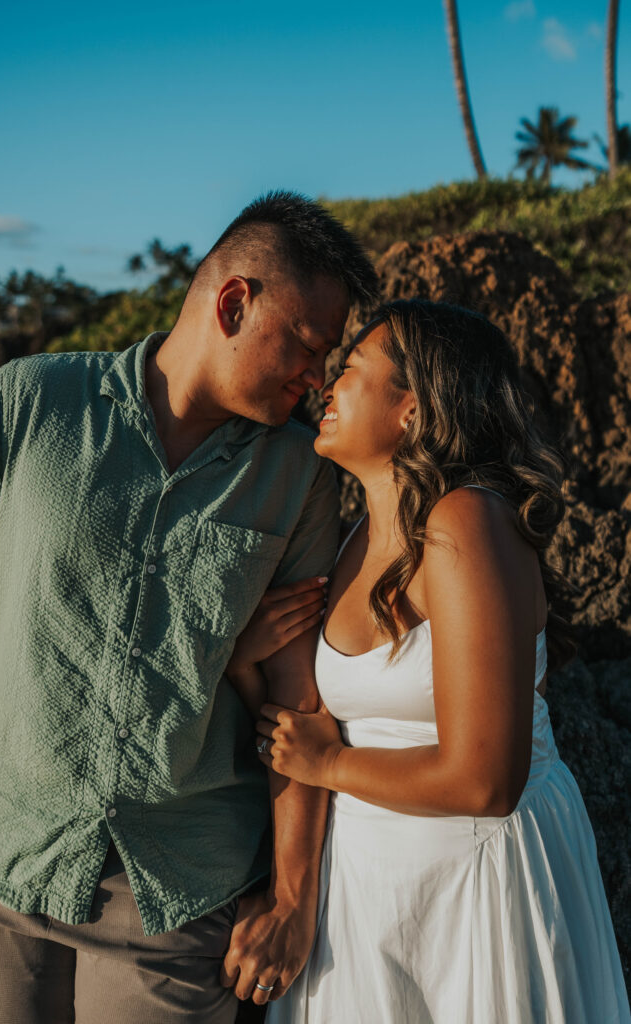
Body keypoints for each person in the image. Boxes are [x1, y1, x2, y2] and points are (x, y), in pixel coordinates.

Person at [0, 190, 379, 1023]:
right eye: (307, 346)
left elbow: (299, 697)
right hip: (0, 876)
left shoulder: (298, 475)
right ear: (233, 303)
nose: (316, 378)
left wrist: (292, 898)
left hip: (180, 898)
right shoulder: (27, 405)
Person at [227, 300, 630, 1023]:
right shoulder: (351, 538)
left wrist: (327, 768)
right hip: (368, 887)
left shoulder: (467, 520)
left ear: (410, 410)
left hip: (474, 881)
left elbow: (485, 781)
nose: (327, 385)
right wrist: (244, 663)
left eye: (349, 368)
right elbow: (310, 724)